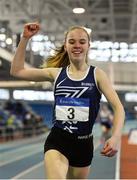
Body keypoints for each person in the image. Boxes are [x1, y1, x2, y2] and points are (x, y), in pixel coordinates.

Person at [10, 22, 125, 179]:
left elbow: (118, 107)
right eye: (72, 42)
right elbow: (17, 71)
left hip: (84, 144)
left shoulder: (97, 75)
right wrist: (24, 38)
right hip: (58, 140)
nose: (77, 45)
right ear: (65, 46)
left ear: (88, 45)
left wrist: (116, 137)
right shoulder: (56, 74)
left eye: (82, 42)